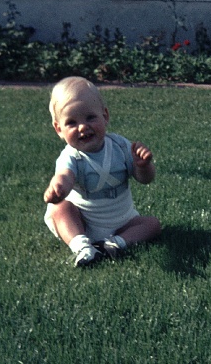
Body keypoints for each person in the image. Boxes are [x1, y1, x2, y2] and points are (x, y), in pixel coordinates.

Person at [44, 76, 161, 266]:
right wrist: (59, 188)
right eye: (72, 122)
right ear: (59, 129)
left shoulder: (120, 146)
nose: (83, 127)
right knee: (60, 209)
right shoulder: (71, 156)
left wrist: (143, 166)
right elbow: (65, 175)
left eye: (90, 117)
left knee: (152, 225)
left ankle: (114, 244)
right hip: (83, 223)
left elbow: (145, 179)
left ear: (105, 116)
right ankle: (82, 247)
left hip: (123, 222)